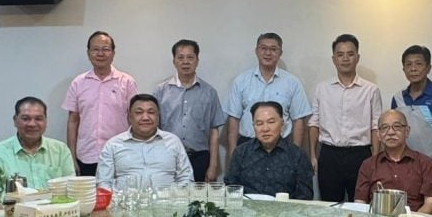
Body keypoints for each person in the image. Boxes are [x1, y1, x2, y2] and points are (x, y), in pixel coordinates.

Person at [308, 34, 382, 202]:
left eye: (350, 54)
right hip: (329, 155)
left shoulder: (371, 90)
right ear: (334, 59)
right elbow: (314, 123)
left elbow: (375, 126)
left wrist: (375, 160)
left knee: (361, 205)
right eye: (340, 54)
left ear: (357, 57)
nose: (345, 59)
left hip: (360, 155)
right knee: (329, 206)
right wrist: (313, 155)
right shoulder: (322, 88)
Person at [223, 33, 312, 166]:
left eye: (273, 49)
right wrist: (232, 154)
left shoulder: (292, 82)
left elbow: (298, 120)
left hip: (282, 147)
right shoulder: (241, 81)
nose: (268, 53)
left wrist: (296, 154)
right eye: (263, 48)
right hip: (248, 145)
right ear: (256, 51)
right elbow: (233, 119)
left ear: (280, 53)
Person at [0, 97, 75, 209]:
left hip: (55, 215)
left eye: (38, 119)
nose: (32, 124)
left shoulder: (61, 150)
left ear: (46, 121)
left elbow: (72, 189)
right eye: (25, 119)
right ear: (15, 120)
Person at [62, 31, 138, 176]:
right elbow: (73, 121)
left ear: (113, 53)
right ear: (88, 53)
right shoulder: (78, 82)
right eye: (95, 49)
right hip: (86, 156)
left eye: (105, 49)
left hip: (120, 154)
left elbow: (134, 118)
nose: (100, 53)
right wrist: (71, 156)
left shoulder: (127, 82)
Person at [153, 39, 226, 182]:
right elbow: (153, 128)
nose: (185, 62)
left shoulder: (209, 92)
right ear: (174, 61)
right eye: (180, 57)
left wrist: (213, 166)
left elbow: (214, 132)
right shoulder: (160, 91)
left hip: (199, 158)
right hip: (167, 156)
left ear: (197, 60)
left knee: (197, 196)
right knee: (168, 195)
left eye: (190, 57)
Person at [97, 94, 194, 189]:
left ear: (158, 116)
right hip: (125, 199)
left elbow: (186, 179)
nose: (145, 118)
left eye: (151, 112)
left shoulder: (173, 141)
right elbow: (103, 183)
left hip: (167, 199)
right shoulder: (113, 145)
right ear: (129, 117)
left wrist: (177, 197)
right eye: (139, 112)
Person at [354, 110, 432, 213]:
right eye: (385, 127)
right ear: (378, 134)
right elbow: (360, 203)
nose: (390, 132)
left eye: (397, 126)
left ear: (407, 131)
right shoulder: (368, 165)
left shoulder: (425, 163)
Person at [224, 102, 313, 199]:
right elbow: (230, 187)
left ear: (282, 124)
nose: (265, 129)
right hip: (247, 206)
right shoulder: (241, 152)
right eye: (259, 124)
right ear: (253, 126)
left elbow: (305, 195)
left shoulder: (297, 155)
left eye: (271, 122)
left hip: (285, 208)